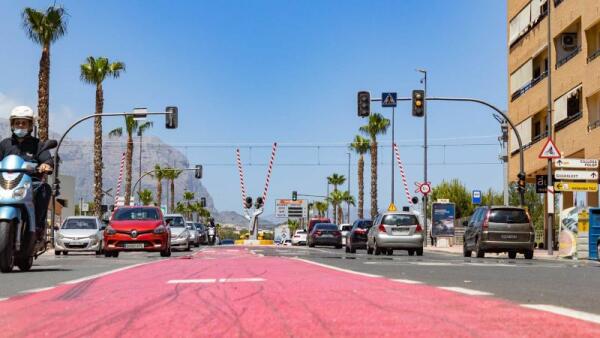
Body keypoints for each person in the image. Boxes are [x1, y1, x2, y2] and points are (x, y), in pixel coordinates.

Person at [0, 106, 53, 239]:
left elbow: (47, 159)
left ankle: (38, 227)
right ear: (12, 125)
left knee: (45, 189)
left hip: (30, 182)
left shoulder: (37, 144)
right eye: (17, 122)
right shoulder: (4, 144)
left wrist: (45, 165)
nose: (20, 125)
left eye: (24, 122)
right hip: (4, 182)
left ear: (30, 126)